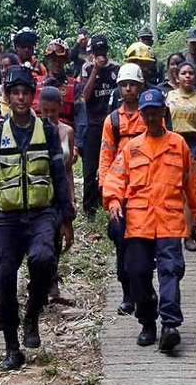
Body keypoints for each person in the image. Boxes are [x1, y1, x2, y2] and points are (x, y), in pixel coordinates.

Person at [0, 65, 75, 371]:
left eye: (25, 93)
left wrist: (67, 218)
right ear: (8, 95)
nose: (20, 98)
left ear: (32, 96)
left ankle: (33, 312)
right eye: (14, 92)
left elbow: (60, 174)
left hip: (41, 214)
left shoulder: (45, 130)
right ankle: (11, 347)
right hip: (6, 217)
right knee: (2, 280)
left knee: (44, 260)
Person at [103, 88, 196, 352]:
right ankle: (148, 321)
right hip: (138, 222)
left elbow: (191, 183)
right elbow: (115, 178)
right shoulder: (132, 147)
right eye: (146, 113)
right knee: (137, 273)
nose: (151, 118)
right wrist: (114, 202)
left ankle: (170, 325)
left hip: (170, 221)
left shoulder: (179, 145)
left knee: (170, 272)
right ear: (141, 115)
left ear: (163, 113)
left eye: (155, 112)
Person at [99, 63, 146, 317]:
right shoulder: (113, 120)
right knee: (121, 244)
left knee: (144, 246)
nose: (128, 89)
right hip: (121, 190)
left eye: (132, 84)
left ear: (140, 87)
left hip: (146, 190)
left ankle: (143, 293)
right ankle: (128, 295)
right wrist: (108, 195)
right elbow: (105, 156)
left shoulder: (151, 114)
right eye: (124, 85)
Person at [166, 61, 196, 252]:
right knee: (171, 189)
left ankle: (189, 234)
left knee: (190, 191)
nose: (187, 76)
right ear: (177, 77)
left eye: (190, 73)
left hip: (193, 145)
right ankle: (169, 232)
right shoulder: (168, 97)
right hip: (171, 143)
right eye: (183, 73)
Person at [37, 86, 76, 302]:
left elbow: (68, 167)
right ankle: (42, 282)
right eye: (45, 111)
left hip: (59, 192)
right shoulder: (34, 129)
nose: (49, 115)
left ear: (60, 108)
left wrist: (71, 195)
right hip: (41, 190)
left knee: (57, 237)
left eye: (53, 111)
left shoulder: (67, 132)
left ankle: (52, 280)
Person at [80, 34, 120, 217]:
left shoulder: (116, 68)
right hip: (94, 125)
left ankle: (112, 201)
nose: (100, 55)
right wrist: (95, 71)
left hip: (113, 125)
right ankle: (89, 208)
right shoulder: (87, 68)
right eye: (97, 52)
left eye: (103, 51)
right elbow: (85, 96)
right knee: (89, 169)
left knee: (114, 166)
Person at [33, 38, 82, 132]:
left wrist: (77, 145)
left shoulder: (75, 86)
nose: (56, 63)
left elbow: (81, 118)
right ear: (48, 60)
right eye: (53, 60)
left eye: (60, 60)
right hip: (39, 136)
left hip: (65, 136)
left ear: (65, 61)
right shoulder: (35, 83)